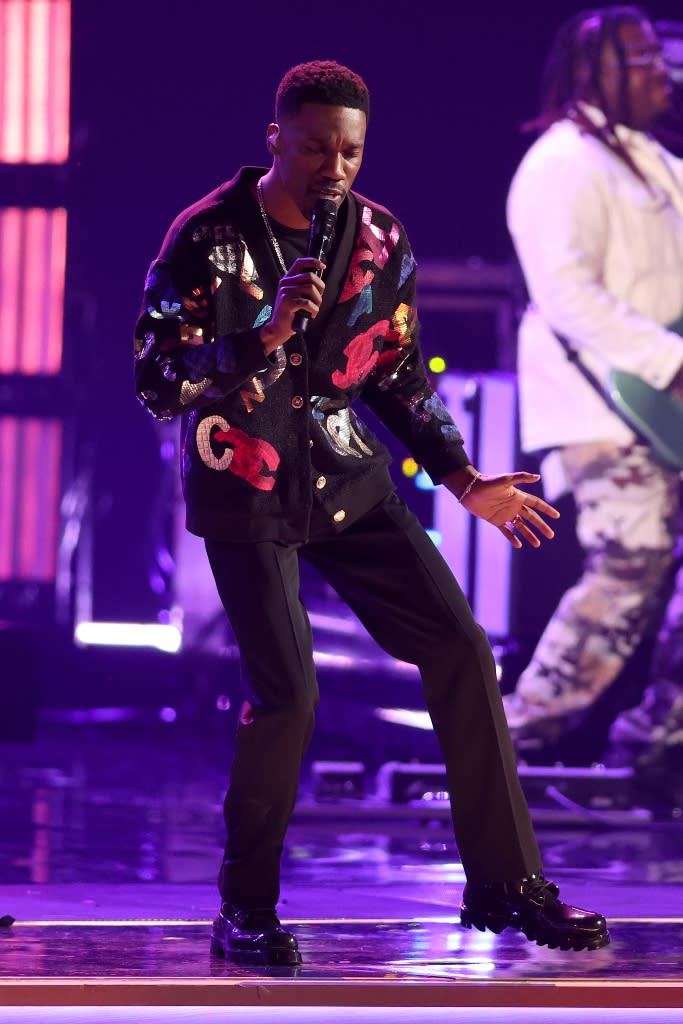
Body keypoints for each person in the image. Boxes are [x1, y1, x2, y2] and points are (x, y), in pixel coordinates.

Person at [134, 59, 608, 966]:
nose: (333, 167)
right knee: (290, 694)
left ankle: (508, 885)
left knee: (461, 648)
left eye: (348, 150)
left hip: (349, 484)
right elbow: (158, 380)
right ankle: (246, 910)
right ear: (275, 138)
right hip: (248, 485)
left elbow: (392, 370)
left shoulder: (379, 238)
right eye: (315, 147)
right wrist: (261, 336)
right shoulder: (205, 237)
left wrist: (464, 481)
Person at [504, 6, 683, 781]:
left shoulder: (651, 161)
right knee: (629, 565)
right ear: (597, 69)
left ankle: (658, 739)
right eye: (640, 57)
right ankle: (510, 741)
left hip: (659, 403)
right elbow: (566, 294)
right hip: (602, 404)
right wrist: (666, 359)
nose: (660, 70)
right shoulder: (559, 163)